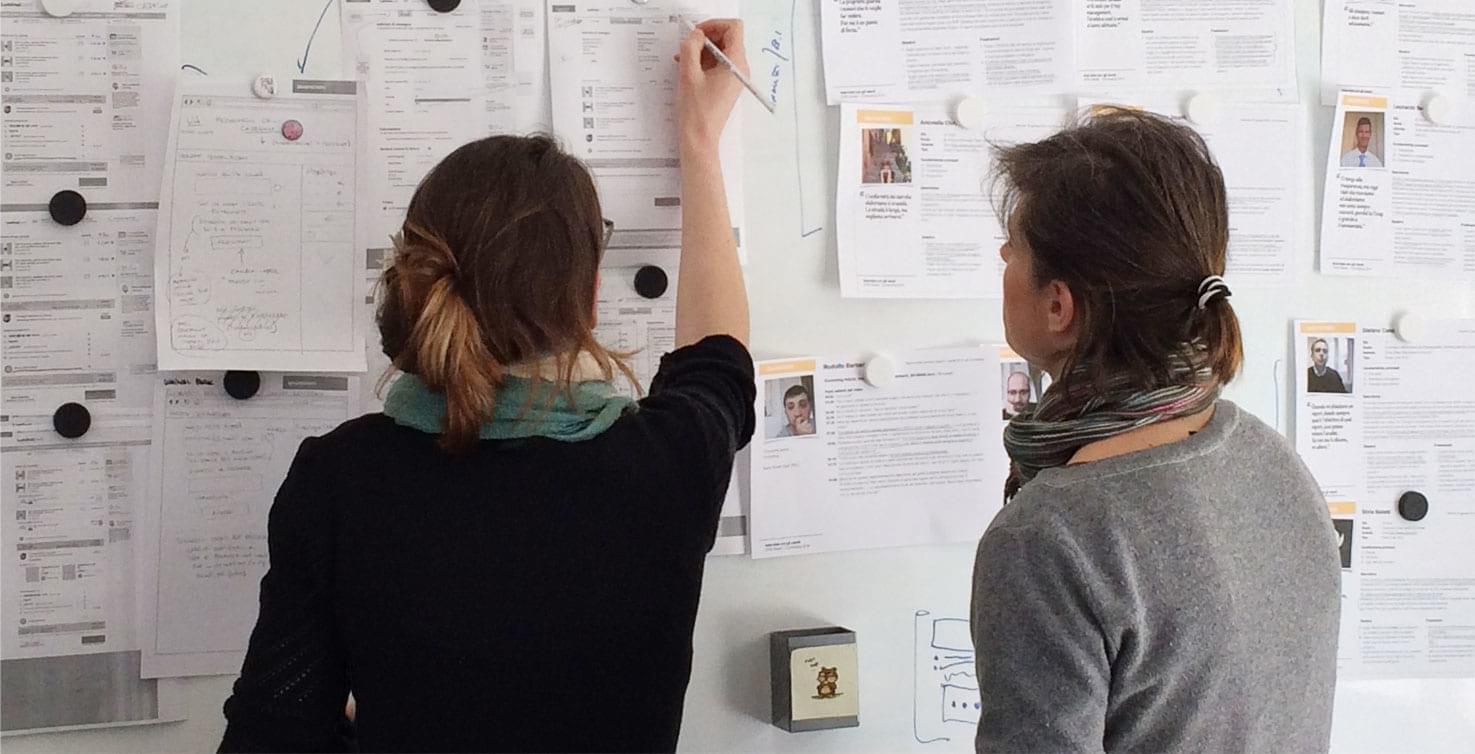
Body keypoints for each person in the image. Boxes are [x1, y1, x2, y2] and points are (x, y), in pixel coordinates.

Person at [217, 19, 753, 753]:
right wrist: (699, 139)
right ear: (590, 299)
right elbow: (718, 355)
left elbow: (272, 737)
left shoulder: (340, 479)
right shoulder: (668, 461)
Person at [972, 108, 1340, 753]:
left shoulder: (1051, 536)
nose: (1003, 255)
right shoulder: (1267, 456)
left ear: (1060, 306)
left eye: (1015, 245)